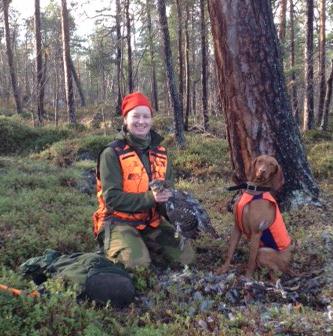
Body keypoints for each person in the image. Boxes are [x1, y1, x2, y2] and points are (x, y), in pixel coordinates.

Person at [93, 92, 195, 269]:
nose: (141, 121)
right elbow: (112, 199)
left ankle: (141, 246)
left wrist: (178, 208)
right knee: (137, 266)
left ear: (151, 120)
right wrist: (151, 198)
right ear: (125, 119)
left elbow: (167, 195)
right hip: (119, 222)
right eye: (135, 116)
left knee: (187, 258)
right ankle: (118, 246)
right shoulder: (111, 153)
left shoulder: (161, 153)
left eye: (146, 116)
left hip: (152, 222)